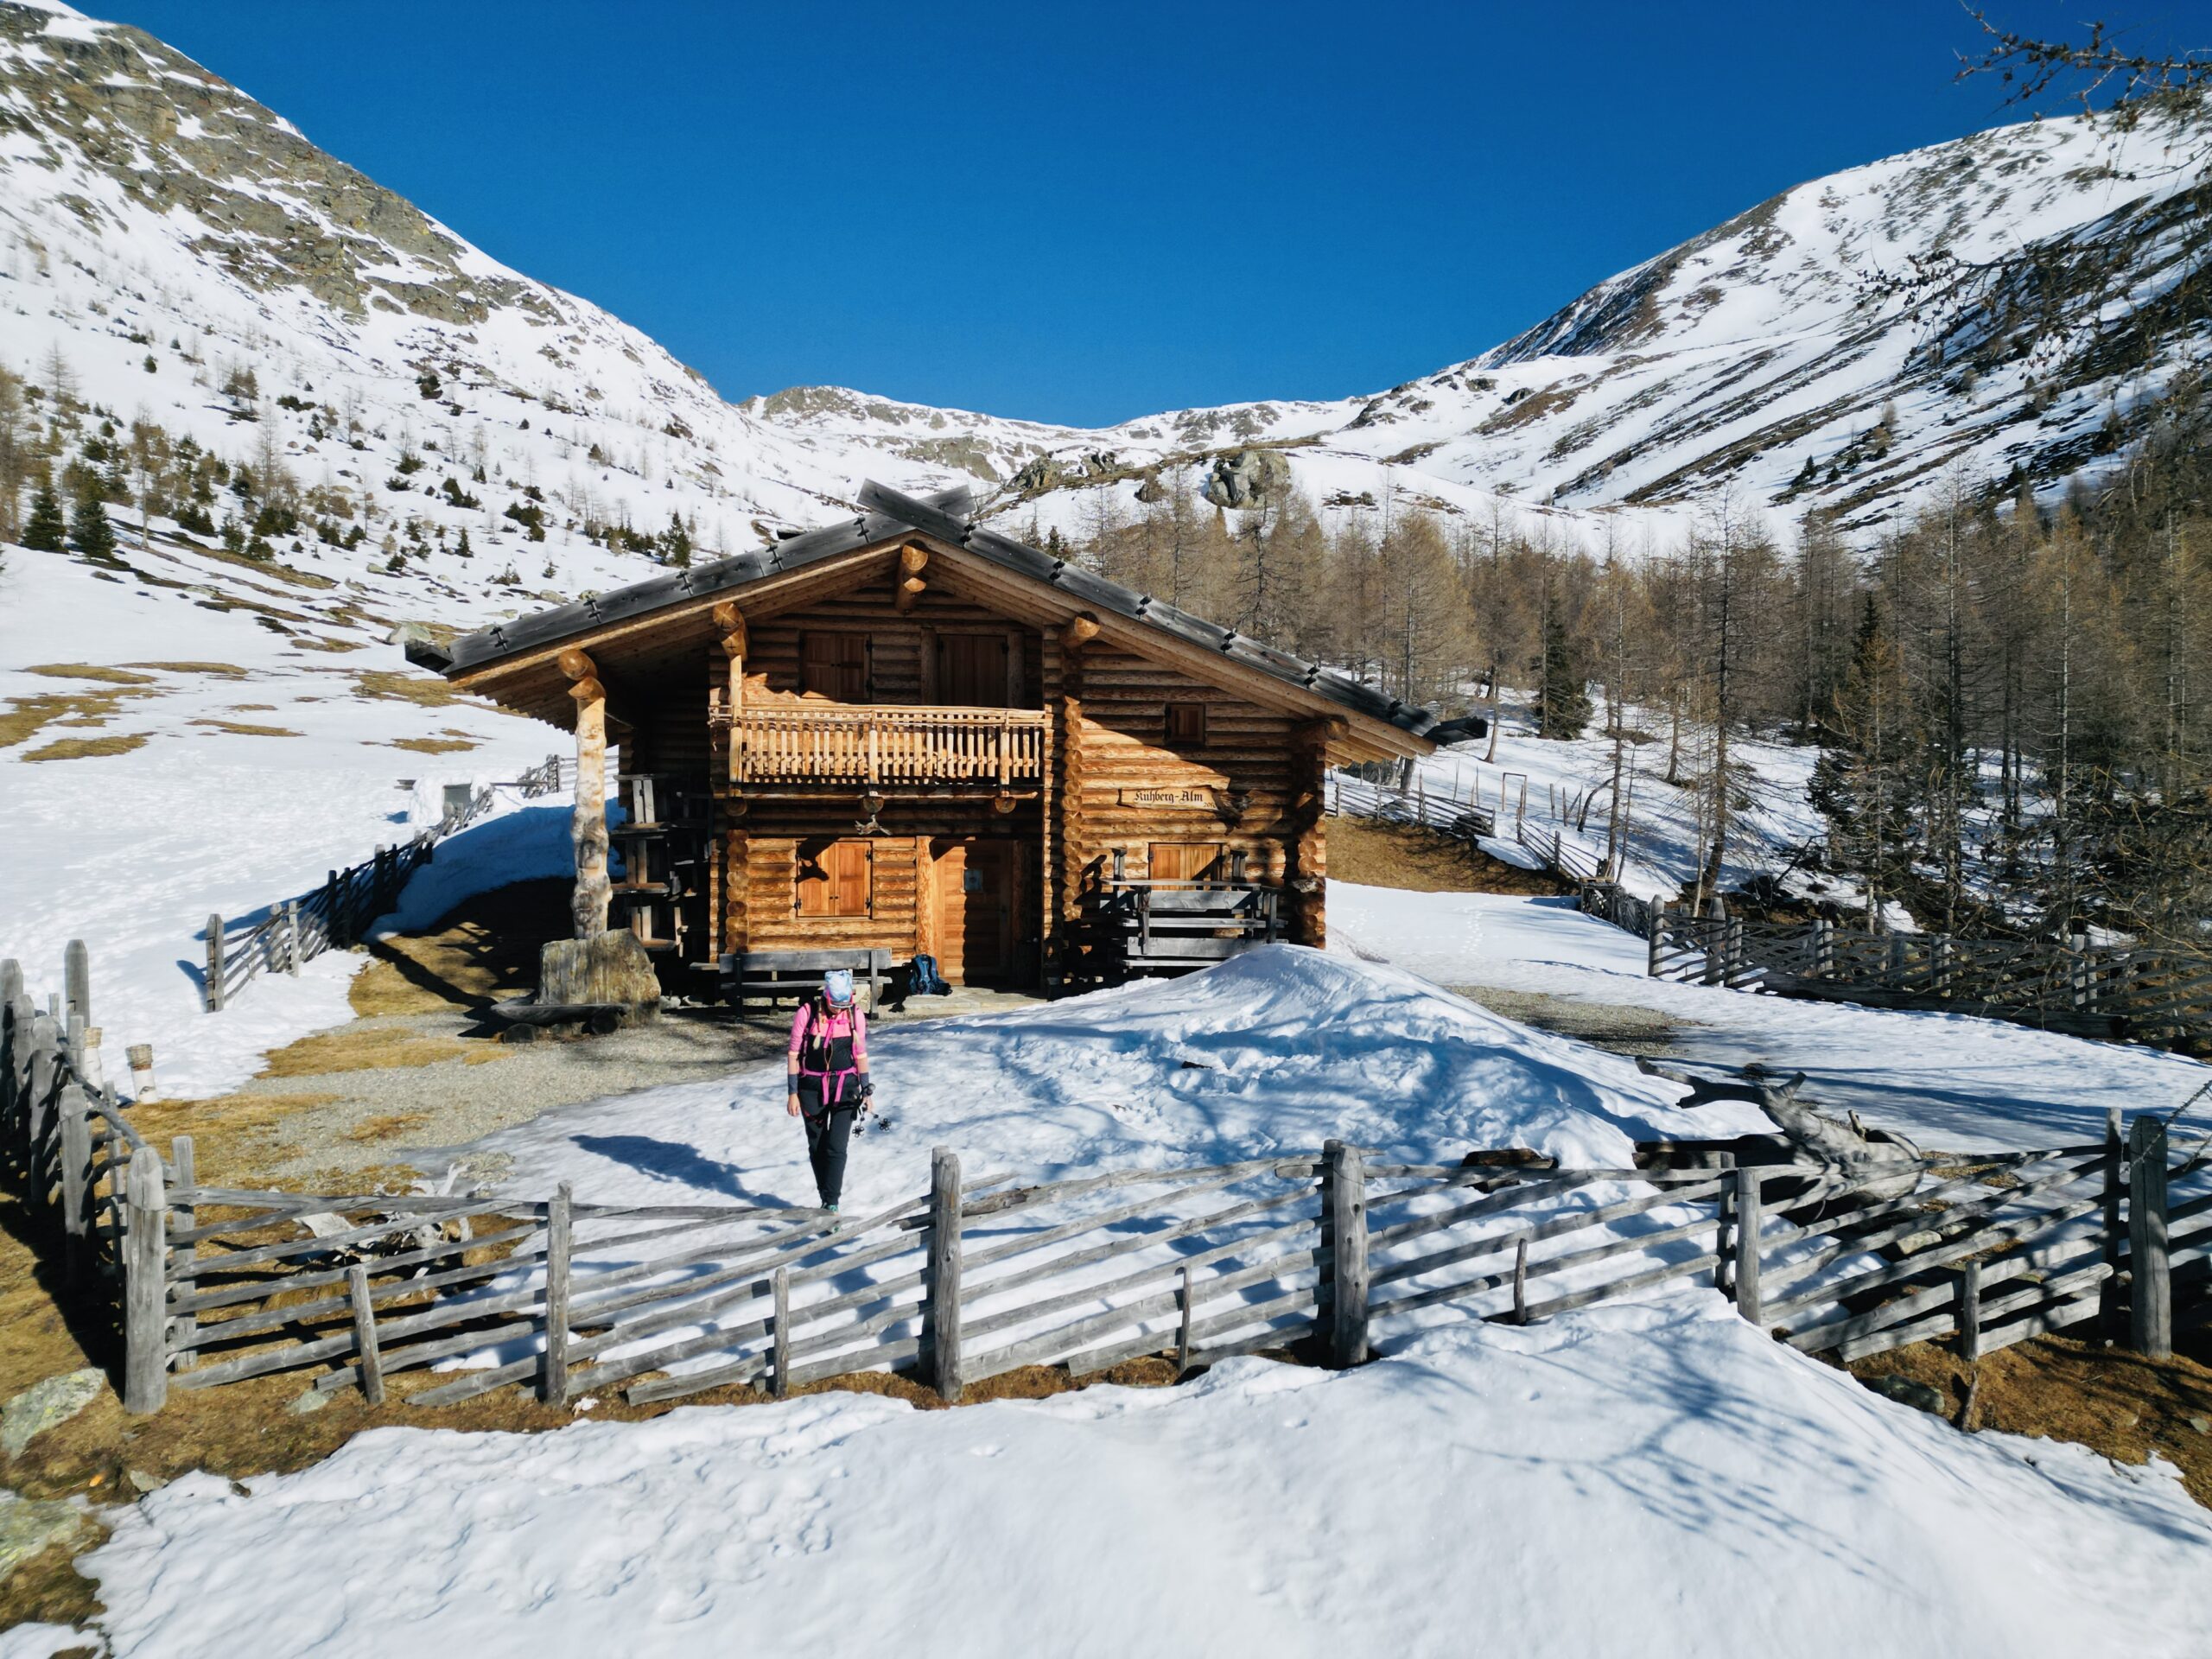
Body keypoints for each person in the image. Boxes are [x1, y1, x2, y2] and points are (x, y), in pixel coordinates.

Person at [787, 969, 873, 1217]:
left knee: (837, 1147)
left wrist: (866, 1089)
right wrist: (793, 1093)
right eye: (836, 1004)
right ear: (826, 996)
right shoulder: (806, 1014)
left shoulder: (855, 1016)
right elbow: (793, 1055)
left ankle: (832, 1202)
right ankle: (825, 1196)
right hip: (811, 1089)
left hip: (846, 1088)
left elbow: (861, 1054)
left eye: (844, 1003)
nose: (839, 1009)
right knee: (818, 1146)